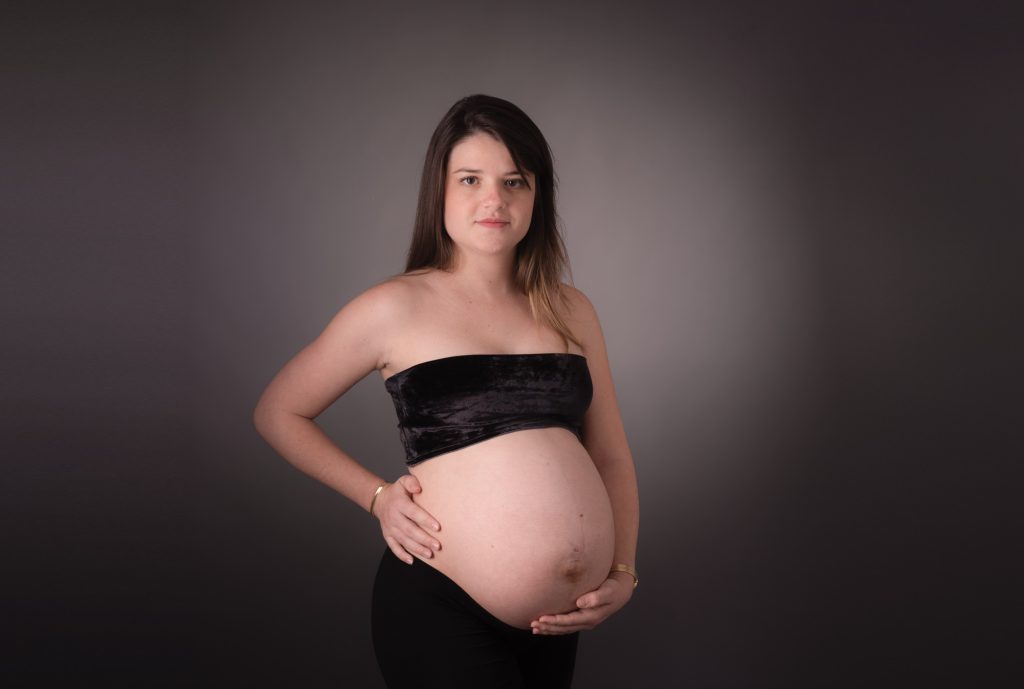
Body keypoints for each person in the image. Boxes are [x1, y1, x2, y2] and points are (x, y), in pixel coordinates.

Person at [252, 94, 639, 689]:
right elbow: (279, 411)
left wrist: (621, 571)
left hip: (554, 626)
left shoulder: (570, 310)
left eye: (515, 181)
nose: (495, 199)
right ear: (440, 191)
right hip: (441, 606)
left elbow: (610, 453)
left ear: (539, 194)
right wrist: (377, 497)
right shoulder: (393, 307)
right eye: (471, 179)